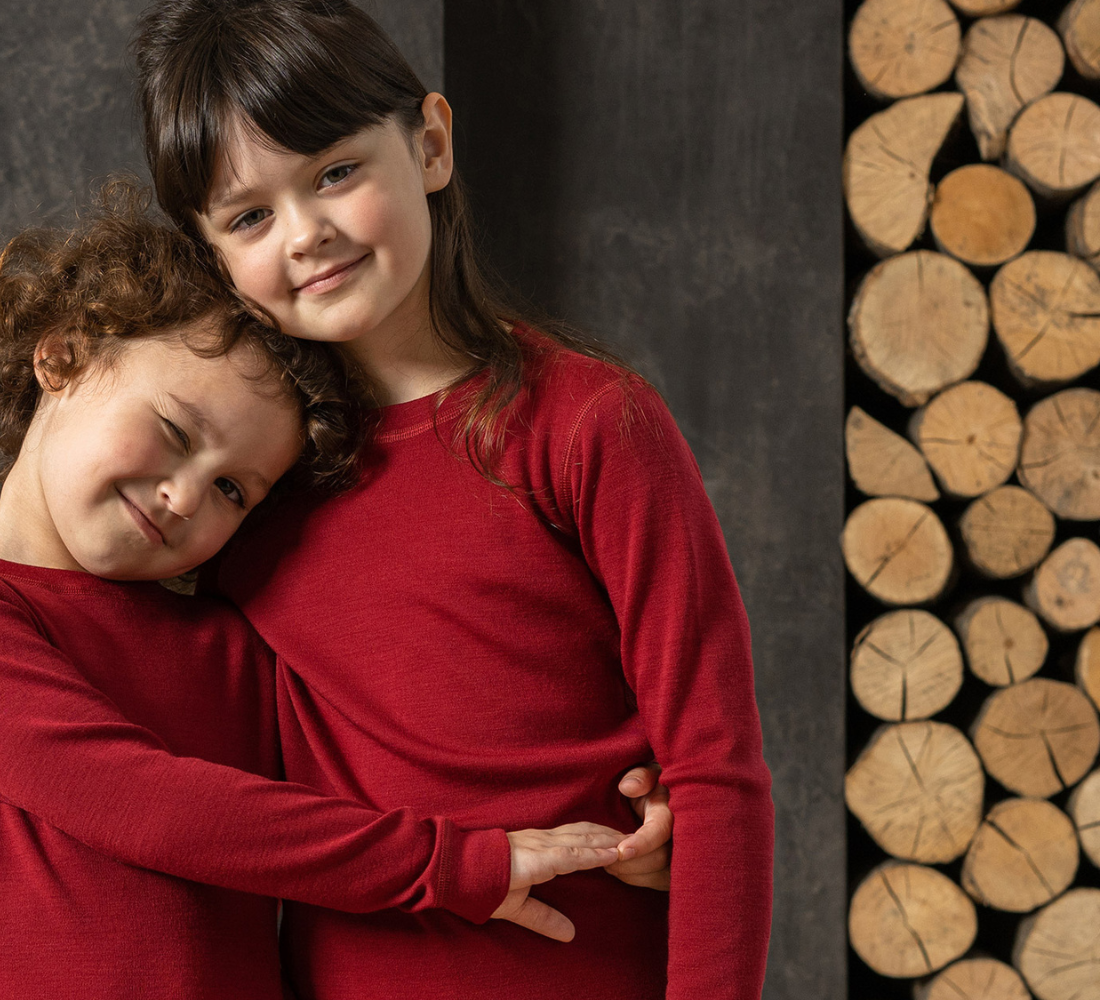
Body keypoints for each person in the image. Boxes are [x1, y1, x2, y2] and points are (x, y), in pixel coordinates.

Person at [0, 188, 671, 1000]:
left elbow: (411, 742)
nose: (184, 496)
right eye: (175, 432)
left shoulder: (234, 644)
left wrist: (635, 807)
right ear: (64, 357)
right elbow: (138, 801)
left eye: (232, 490)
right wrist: (446, 865)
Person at [131, 2, 776, 998]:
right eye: (249, 217)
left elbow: (715, 769)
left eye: (335, 172)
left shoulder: (589, 425)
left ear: (429, 144)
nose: (307, 235)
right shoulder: (237, 488)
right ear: (210, 249)